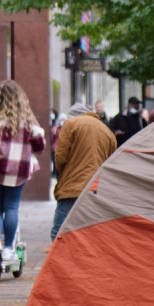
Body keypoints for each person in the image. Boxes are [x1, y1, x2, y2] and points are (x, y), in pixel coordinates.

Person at [0, 79, 46, 261]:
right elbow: (40, 145)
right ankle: (8, 249)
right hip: (18, 170)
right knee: (12, 208)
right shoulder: (27, 118)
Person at [50, 101, 117, 239]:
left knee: (58, 234)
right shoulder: (107, 131)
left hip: (73, 187)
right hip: (96, 189)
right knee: (89, 235)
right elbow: (111, 162)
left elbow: (60, 158)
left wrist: (64, 174)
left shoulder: (71, 124)